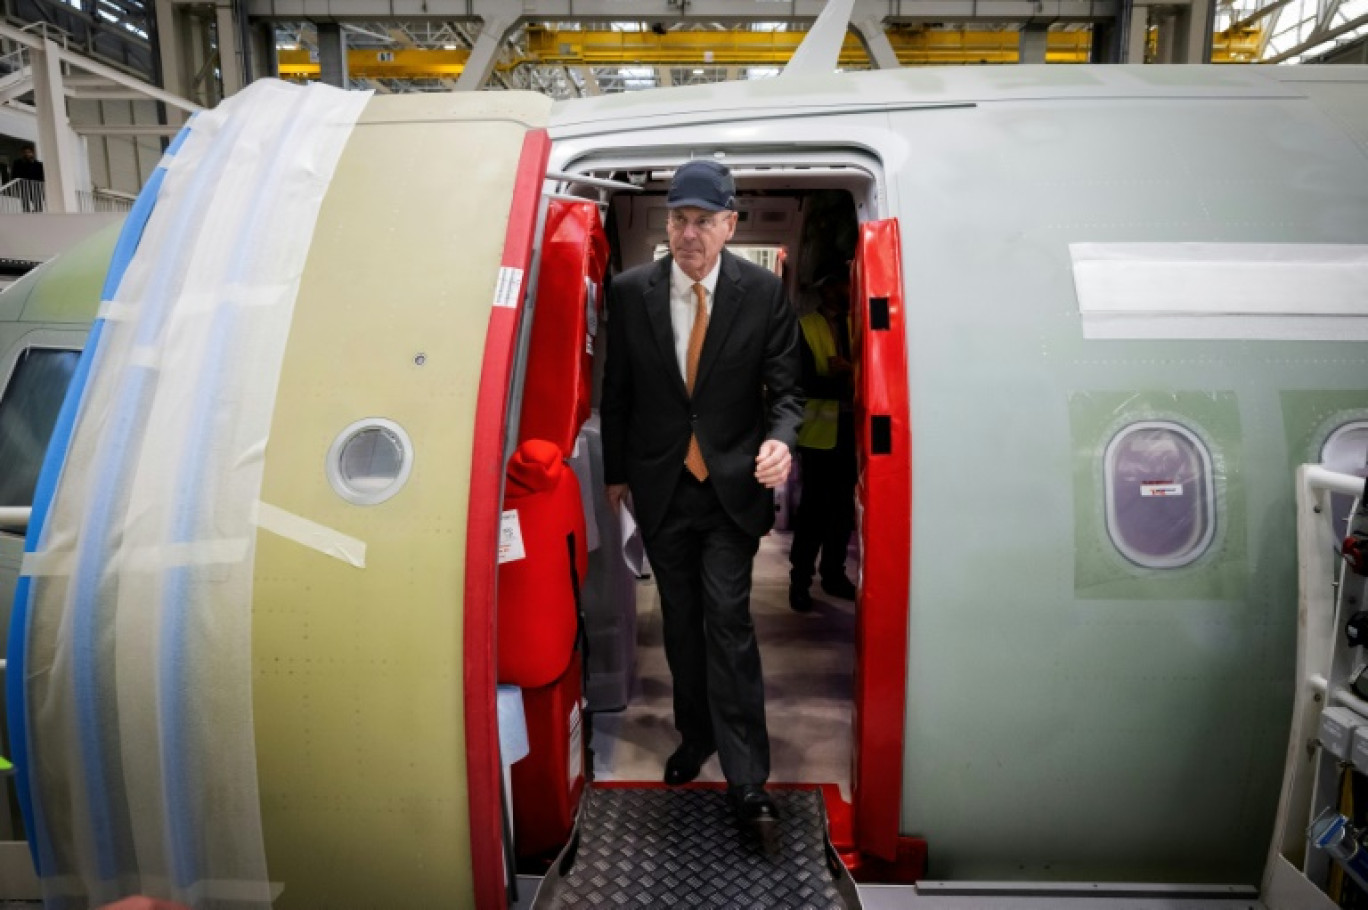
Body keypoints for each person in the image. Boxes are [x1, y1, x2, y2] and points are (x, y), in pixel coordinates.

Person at [602, 159, 803, 838]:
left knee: (728, 621)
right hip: (661, 487)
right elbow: (619, 391)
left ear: (729, 225)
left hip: (730, 491)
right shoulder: (631, 292)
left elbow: (788, 389)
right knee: (680, 626)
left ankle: (749, 782)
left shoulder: (763, 293)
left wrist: (782, 441)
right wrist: (615, 475)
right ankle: (696, 736)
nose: (689, 233)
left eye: (703, 220)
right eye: (679, 218)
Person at [788, 266, 858, 612]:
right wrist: (841, 378)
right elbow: (798, 385)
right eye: (844, 282)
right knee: (813, 512)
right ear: (828, 288)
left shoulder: (859, 324)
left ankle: (834, 575)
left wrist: (853, 373)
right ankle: (800, 581)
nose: (850, 288)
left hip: (852, 433)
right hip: (818, 437)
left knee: (844, 510)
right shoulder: (804, 327)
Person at [12, 144, 45, 212]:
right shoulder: (17, 163)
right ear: (22, 153)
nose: (27, 154)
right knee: (25, 204)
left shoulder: (38, 164)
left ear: (32, 153)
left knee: (37, 204)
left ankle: (38, 214)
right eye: (25, 152)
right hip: (23, 186)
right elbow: (14, 175)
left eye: (29, 152)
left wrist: (41, 186)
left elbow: (42, 176)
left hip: (36, 187)